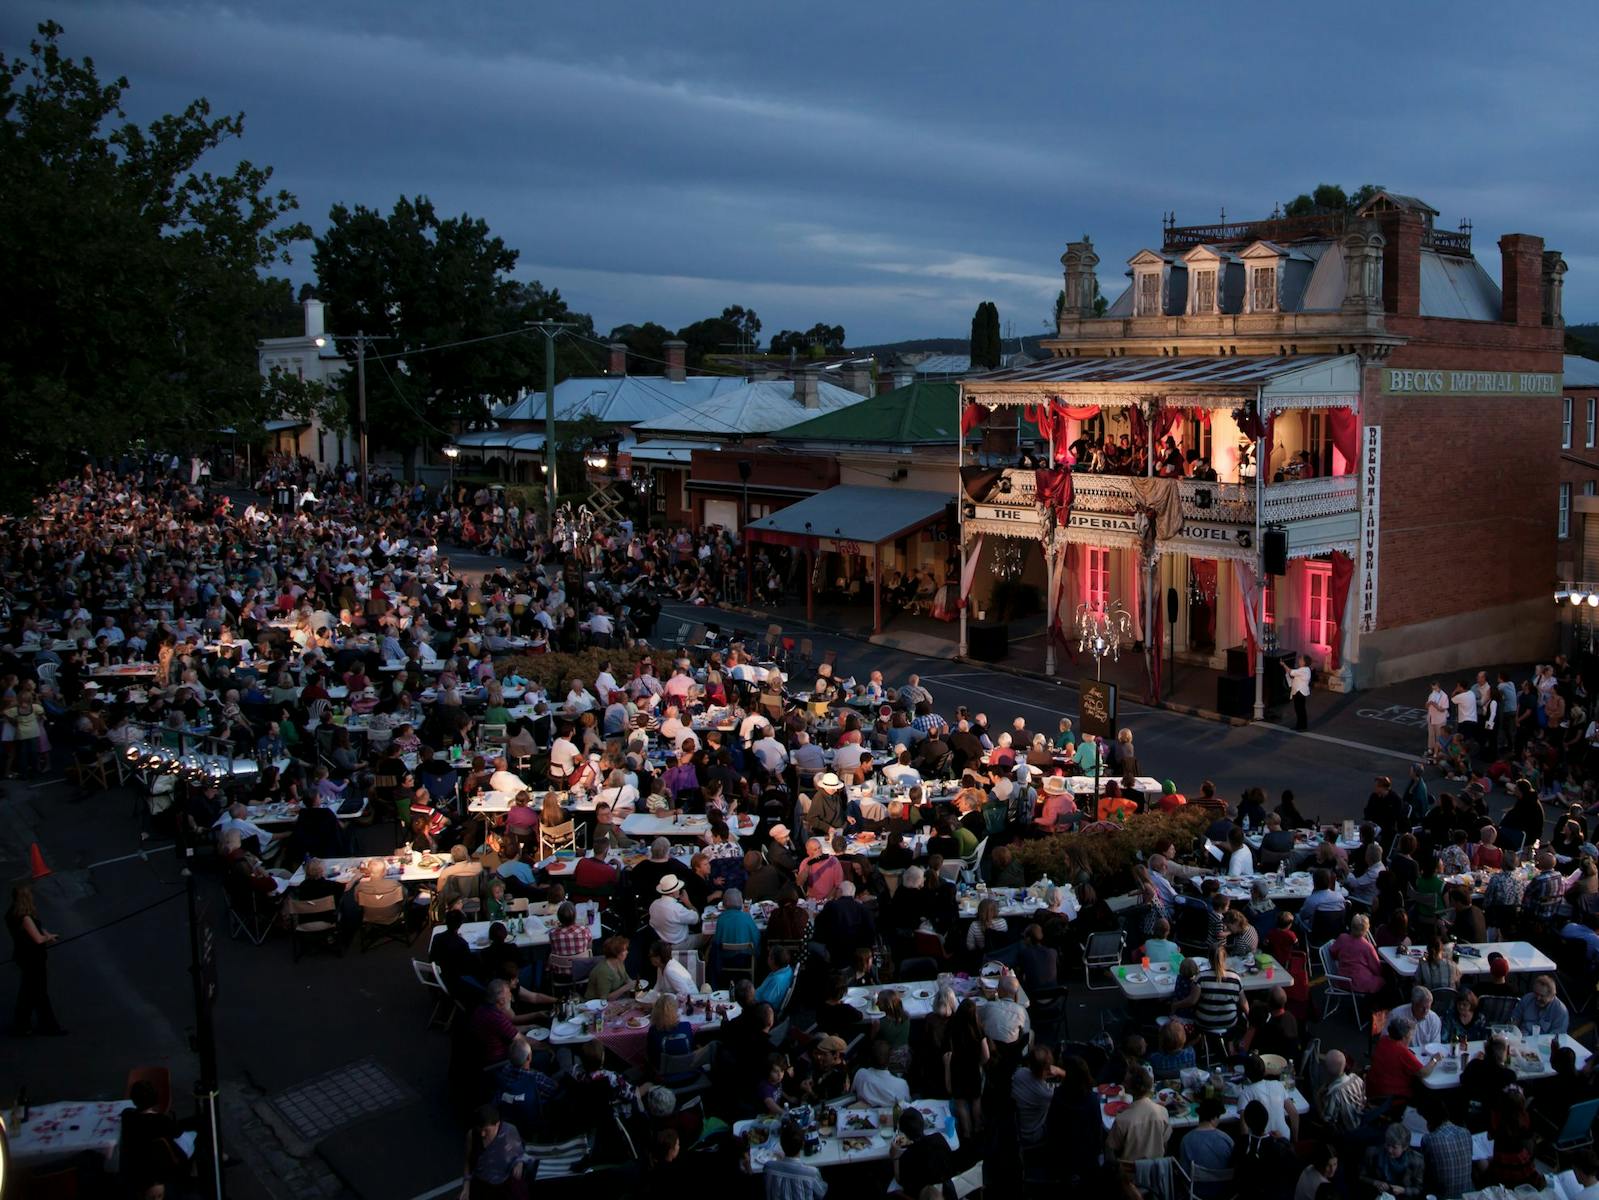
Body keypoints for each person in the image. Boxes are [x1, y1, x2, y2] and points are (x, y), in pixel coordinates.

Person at [7, 882, 64, 1035]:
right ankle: (47, 1026)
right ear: (26, 898)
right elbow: (38, 939)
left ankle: (23, 1025)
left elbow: (36, 928)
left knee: (29, 992)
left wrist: (45, 933)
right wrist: (50, 936)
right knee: (38, 993)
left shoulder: (12, 913)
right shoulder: (24, 917)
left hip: (23, 957)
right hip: (32, 959)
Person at [1367, 1013, 1441, 1104]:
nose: (1411, 1038)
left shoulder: (1383, 1040)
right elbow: (1423, 1072)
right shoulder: (1401, 1051)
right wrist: (1434, 1060)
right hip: (1390, 1098)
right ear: (1405, 1036)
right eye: (1411, 1035)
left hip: (1373, 1091)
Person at [1106, 1065, 1169, 1164]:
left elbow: (1111, 1148)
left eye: (1125, 1082)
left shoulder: (1122, 1120)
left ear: (1129, 1088)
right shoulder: (1163, 1112)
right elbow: (1164, 1143)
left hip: (1128, 1173)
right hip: (1157, 1169)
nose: (1123, 1084)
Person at [891, 1105, 956, 1200]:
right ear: (922, 1125)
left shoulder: (908, 1154)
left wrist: (895, 1157)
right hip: (945, 1185)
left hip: (922, 1192)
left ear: (903, 1132)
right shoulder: (939, 1138)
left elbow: (899, 1180)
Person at [460, 1103, 524, 1199]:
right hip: (481, 1185)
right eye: (480, 1129)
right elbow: (468, 1161)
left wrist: (519, 1163)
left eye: (486, 1130)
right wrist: (466, 1185)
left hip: (503, 1185)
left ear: (497, 1124)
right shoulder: (472, 1135)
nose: (482, 1134)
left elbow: (519, 1153)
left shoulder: (509, 1131)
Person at [1417, 1095, 1473, 1200]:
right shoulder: (1466, 1132)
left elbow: (1427, 1171)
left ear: (1429, 1119)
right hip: (1468, 1193)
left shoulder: (1429, 1139)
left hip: (1443, 1196)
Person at [1178, 1096, 1234, 1198]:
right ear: (1214, 1117)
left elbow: (1184, 1174)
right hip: (1224, 1194)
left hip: (1196, 1194)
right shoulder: (1227, 1140)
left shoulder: (1186, 1140)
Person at [1360, 1120, 1424, 1199]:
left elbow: (1419, 1189)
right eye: (1387, 1144)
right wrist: (1375, 1182)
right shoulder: (1373, 1153)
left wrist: (1404, 1190)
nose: (1389, 1150)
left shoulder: (1416, 1161)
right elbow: (1361, 1176)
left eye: (1394, 1147)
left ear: (1405, 1147)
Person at [764, 1122, 828, 1200]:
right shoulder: (811, 1173)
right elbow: (821, 1193)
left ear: (781, 1143)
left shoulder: (769, 1167)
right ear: (802, 1145)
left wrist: (781, 1161)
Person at [855, 1038, 911, 1108]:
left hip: (862, 1115)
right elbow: (906, 1105)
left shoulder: (860, 1074)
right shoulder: (901, 1084)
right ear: (890, 1058)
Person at [1284, 654, 1311, 731]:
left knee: (1301, 710)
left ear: (1304, 662)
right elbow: (1292, 673)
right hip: (1297, 692)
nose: (1299, 660)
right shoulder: (1301, 670)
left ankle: (1303, 727)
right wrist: (1286, 669)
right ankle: (1299, 726)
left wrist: (1284, 665)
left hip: (1301, 692)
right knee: (1298, 709)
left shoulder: (1305, 670)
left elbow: (1291, 672)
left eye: (1301, 660)